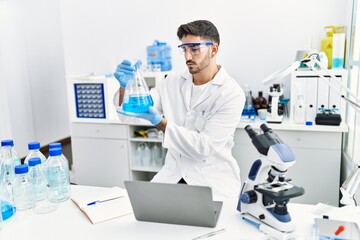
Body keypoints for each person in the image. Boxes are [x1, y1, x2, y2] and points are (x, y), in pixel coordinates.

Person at [113, 20, 245, 198]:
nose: (187, 56)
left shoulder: (230, 93)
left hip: (212, 181)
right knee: (145, 215)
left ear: (214, 49)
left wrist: (160, 122)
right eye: (184, 49)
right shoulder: (172, 82)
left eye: (194, 49)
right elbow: (129, 117)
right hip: (172, 176)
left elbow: (202, 148)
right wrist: (126, 86)